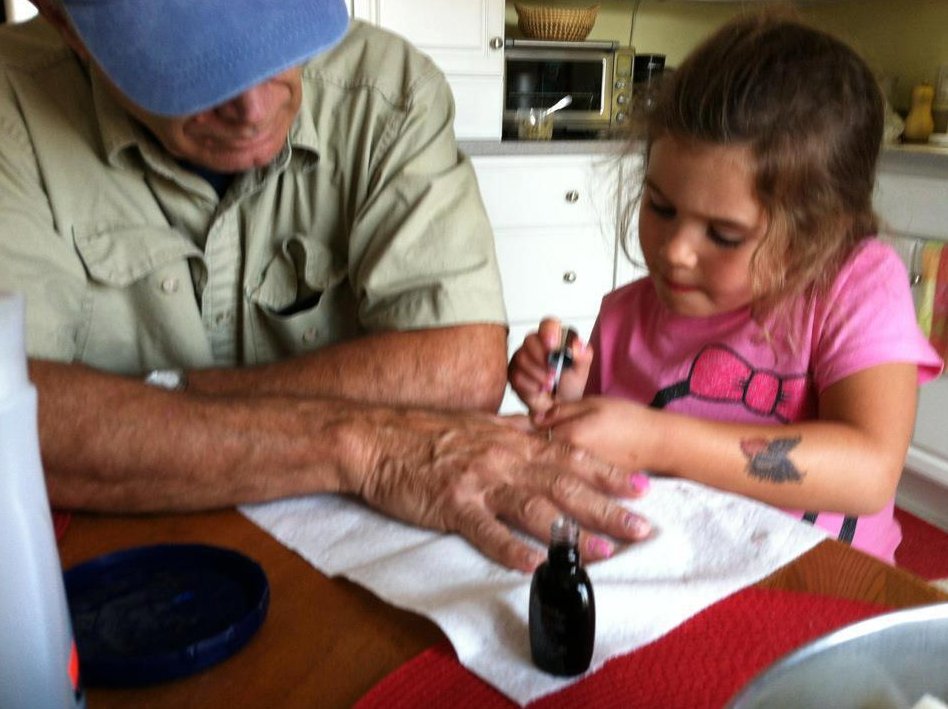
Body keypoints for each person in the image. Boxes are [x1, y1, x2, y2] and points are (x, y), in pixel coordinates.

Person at [0, 0, 652, 573]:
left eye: (278, 35)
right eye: (192, 67)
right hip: (101, 566)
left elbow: (458, 371)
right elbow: (18, 431)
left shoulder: (388, 91)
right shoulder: (13, 106)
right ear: (65, 23)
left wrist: (147, 408)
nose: (254, 107)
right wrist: (359, 445)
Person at [508, 13, 944, 563]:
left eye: (724, 234)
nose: (674, 251)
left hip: (822, 583)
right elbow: (611, 462)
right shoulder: (624, 315)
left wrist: (659, 440)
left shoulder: (852, 283)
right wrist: (564, 403)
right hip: (678, 571)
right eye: (660, 207)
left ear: (816, 232)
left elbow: (869, 471)